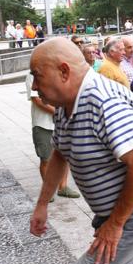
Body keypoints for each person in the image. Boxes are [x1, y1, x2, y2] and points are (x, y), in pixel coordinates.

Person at [29, 38, 133, 264]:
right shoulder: (67, 103)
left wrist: (116, 224)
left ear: (64, 71)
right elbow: (60, 153)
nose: (34, 86)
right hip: (123, 212)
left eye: (37, 76)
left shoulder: (104, 101)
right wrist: (42, 204)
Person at [25, 72, 80, 201]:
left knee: (65, 155)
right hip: (42, 124)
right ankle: (48, 190)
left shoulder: (59, 73)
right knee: (46, 158)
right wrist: (58, 113)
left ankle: (63, 187)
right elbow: (37, 100)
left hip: (60, 123)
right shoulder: (31, 75)